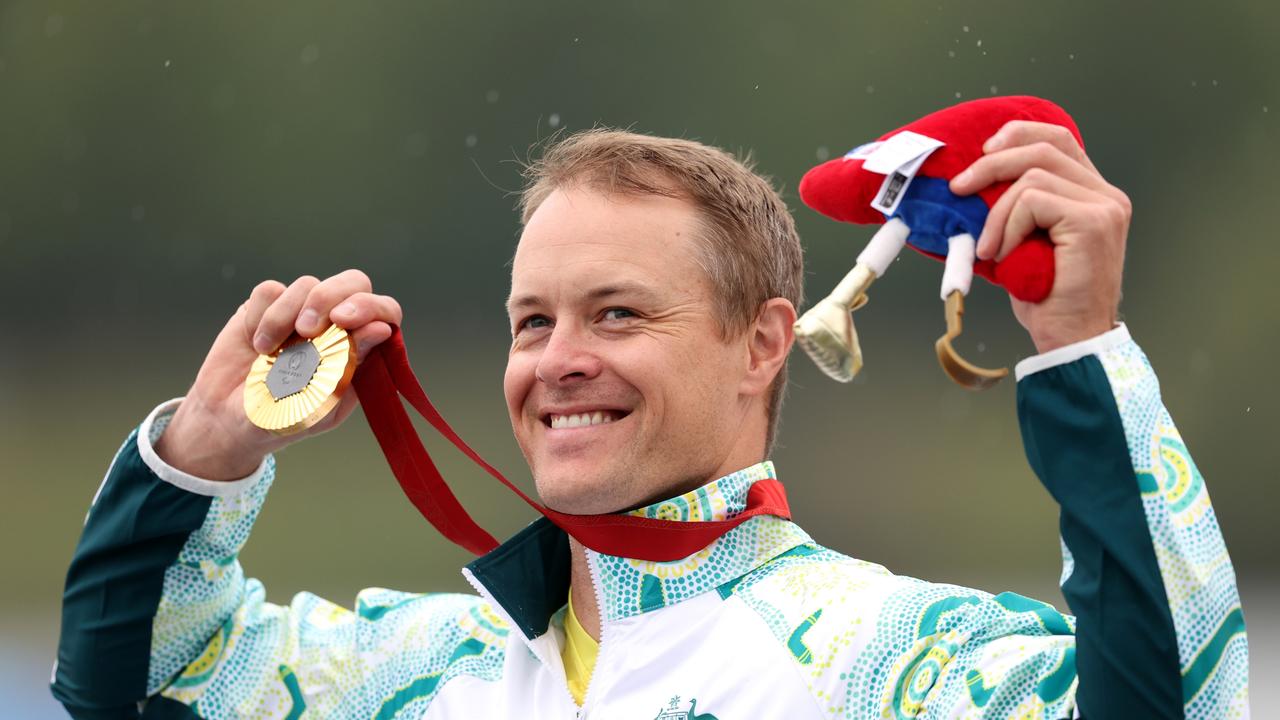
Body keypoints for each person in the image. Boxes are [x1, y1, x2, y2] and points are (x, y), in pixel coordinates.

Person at [53, 126, 1248, 719]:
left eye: (617, 314)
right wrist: (205, 454)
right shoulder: (420, 675)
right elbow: (138, 682)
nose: (560, 362)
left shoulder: (885, 665)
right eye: (532, 324)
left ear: (762, 343)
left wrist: (1080, 348)